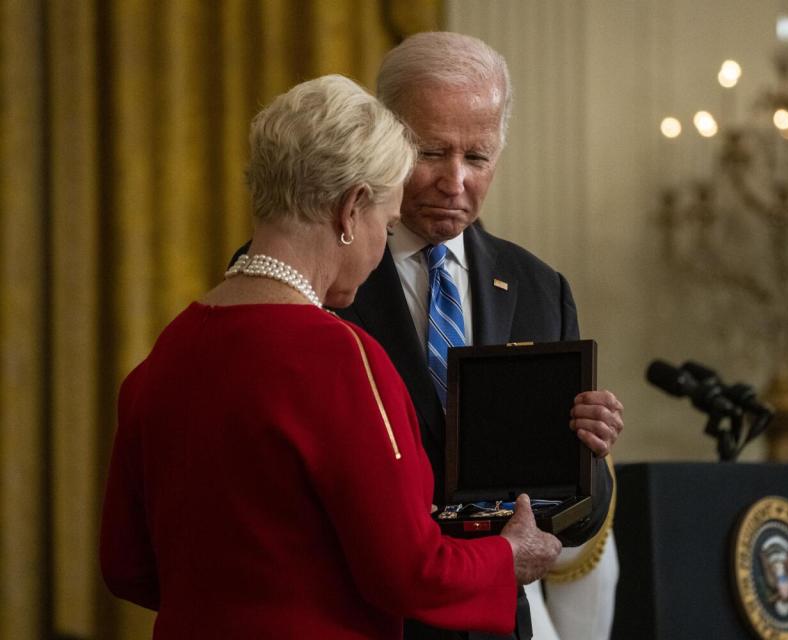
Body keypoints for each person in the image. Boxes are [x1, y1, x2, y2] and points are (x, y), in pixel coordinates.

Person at [100, 74, 562, 639]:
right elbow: (410, 573)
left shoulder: (167, 351)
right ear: (350, 211)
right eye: (386, 226)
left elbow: (126, 567)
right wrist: (507, 557)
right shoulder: (343, 359)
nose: (378, 253)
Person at [334, 32, 625, 640]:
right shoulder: (328, 272)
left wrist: (585, 455)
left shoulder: (539, 288)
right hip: (366, 616)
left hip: (495, 622)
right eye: (432, 152)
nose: (455, 180)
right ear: (384, 140)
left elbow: (569, 523)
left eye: (478, 157)